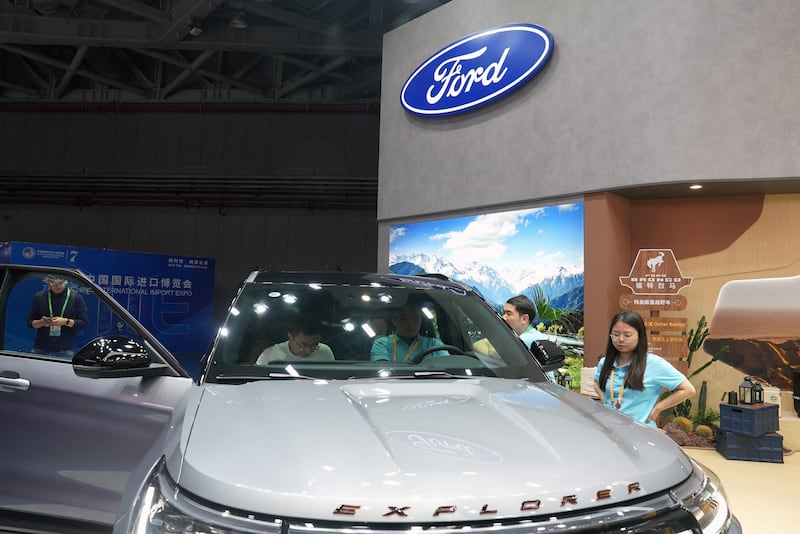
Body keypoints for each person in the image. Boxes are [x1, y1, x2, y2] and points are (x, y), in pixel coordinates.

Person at [593, 310, 696, 427]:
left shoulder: (654, 364)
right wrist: (604, 400)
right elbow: (596, 382)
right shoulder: (605, 362)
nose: (620, 339)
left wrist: (658, 408)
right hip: (609, 431)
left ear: (640, 336)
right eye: (615, 334)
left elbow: (688, 389)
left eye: (627, 335)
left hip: (639, 433)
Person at [26, 275, 88, 358]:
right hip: (40, 349)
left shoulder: (76, 297)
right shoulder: (39, 297)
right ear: (48, 282)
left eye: (61, 283)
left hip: (64, 350)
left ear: (66, 281)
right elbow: (30, 323)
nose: (58, 286)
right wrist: (41, 322)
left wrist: (65, 321)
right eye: (54, 284)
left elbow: (83, 323)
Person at [502, 295, 557, 380]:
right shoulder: (534, 334)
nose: (503, 317)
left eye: (509, 313)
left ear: (524, 318)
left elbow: (490, 351)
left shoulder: (525, 339)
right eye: (504, 313)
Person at [370, 300, 444, 362]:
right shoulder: (382, 343)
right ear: (395, 320)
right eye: (404, 318)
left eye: (415, 317)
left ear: (421, 319)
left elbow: (447, 367)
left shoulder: (434, 344)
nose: (411, 323)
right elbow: (381, 371)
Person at [255, 318, 334, 363]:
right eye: (304, 345)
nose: (308, 351)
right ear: (290, 336)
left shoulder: (325, 352)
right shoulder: (270, 356)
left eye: (315, 345)